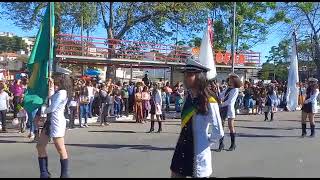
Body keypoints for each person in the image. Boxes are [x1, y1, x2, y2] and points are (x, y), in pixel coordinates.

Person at [170, 60, 224, 178]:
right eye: (185, 74)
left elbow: (218, 131)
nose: (186, 77)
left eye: (190, 74)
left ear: (199, 77)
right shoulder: (187, 98)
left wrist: (205, 141)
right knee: (175, 174)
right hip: (182, 146)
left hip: (198, 149)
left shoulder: (209, 101)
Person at [36, 71, 72, 178]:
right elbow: (51, 98)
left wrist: (42, 111)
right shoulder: (58, 92)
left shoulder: (63, 93)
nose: (55, 81)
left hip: (57, 122)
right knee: (40, 146)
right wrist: (51, 87)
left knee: (60, 148)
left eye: (55, 80)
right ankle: (44, 173)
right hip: (49, 121)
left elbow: (52, 107)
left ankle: (65, 174)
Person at [216, 73, 241, 152]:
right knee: (221, 126)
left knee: (231, 127)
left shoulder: (235, 90)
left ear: (234, 80)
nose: (229, 80)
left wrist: (221, 104)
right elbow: (221, 96)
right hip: (223, 109)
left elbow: (230, 101)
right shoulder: (228, 88)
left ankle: (233, 144)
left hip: (229, 109)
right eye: (229, 79)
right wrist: (217, 89)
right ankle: (221, 144)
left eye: (230, 79)